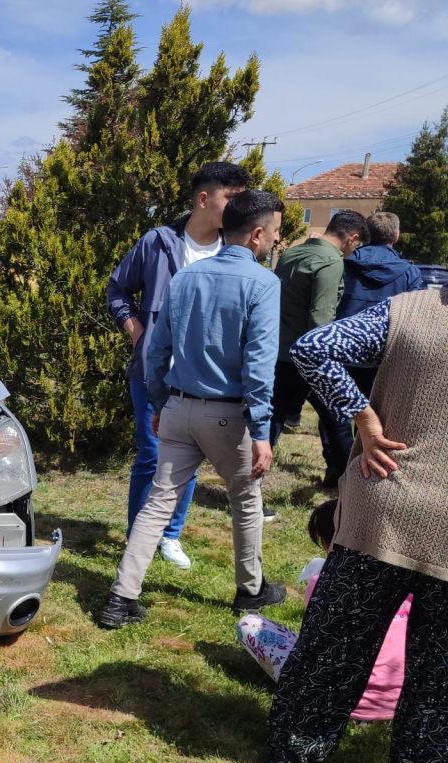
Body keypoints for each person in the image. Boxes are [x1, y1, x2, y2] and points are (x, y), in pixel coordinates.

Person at [266, 219, 448, 763]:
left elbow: (313, 348)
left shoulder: (408, 311)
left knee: (337, 641)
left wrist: (362, 417)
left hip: (384, 503)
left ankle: (293, 756)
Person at [98, 190, 288, 629]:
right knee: (245, 500)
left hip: (180, 408)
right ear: (257, 235)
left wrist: (161, 402)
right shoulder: (263, 284)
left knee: (158, 502)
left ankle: (121, 596)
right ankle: (250, 590)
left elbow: (156, 347)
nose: (277, 241)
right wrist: (261, 431)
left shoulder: (186, 277)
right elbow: (259, 364)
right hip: (229, 414)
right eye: (276, 233)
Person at [107, 162, 252, 571]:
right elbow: (118, 288)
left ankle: (169, 535)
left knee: (188, 458)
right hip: (153, 372)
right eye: (231, 198)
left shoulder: (234, 251)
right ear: (204, 199)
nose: (238, 207)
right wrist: (135, 328)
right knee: (153, 454)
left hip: (205, 377)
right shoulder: (158, 243)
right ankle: (140, 534)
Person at [237, 498, 406, 721]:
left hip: (336, 696)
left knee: (249, 624)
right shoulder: (404, 582)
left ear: (329, 543)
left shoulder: (323, 582)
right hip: (394, 700)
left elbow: (315, 640)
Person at [271, 210, 370, 487]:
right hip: (308, 357)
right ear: (352, 238)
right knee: (337, 417)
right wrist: (329, 363)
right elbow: (321, 317)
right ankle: (349, 483)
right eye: (357, 245)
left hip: (280, 350)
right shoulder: (330, 262)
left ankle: (249, 485)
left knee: (274, 418)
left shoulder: (293, 254)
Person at [335, 211, 425, 402]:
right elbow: (415, 318)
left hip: (344, 350)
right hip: (384, 356)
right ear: (396, 235)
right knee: (375, 418)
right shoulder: (409, 273)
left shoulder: (343, 265)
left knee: (336, 418)